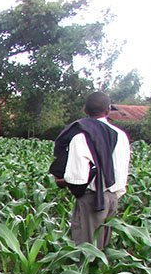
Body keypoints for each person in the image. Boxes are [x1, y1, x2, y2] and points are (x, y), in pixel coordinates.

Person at [49, 92, 131, 249]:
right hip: (113, 198)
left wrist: (61, 181)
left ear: (85, 110)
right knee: (102, 249)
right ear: (108, 110)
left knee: (85, 252)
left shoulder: (81, 135)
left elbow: (77, 178)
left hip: (92, 200)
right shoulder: (121, 136)